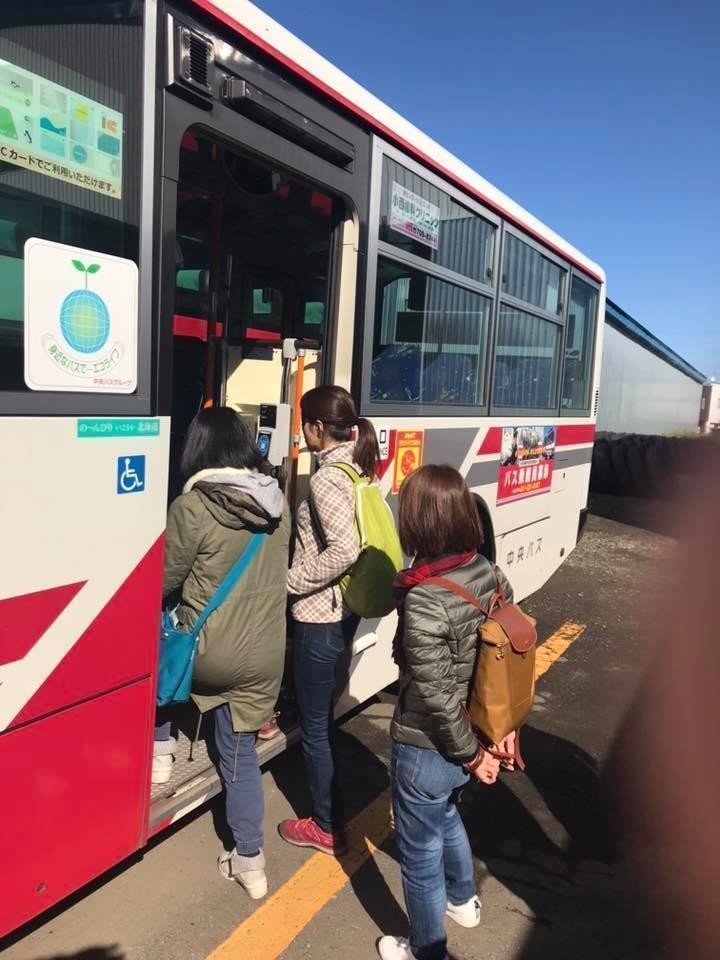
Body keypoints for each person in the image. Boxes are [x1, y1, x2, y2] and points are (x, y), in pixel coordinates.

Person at [378, 464, 515, 960]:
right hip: (474, 730)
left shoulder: (424, 597)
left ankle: (426, 949)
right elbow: (507, 659)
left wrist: (472, 756)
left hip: (429, 745)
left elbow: (435, 696)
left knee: (419, 854)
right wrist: (495, 736)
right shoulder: (489, 572)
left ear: (418, 522)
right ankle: (462, 899)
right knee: (448, 813)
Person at [156, 407, 290, 899]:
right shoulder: (278, 504)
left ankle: (160, 753)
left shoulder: (191, 508)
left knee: (162, 644)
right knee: (239, 756)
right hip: (266, 655)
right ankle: (251, 862)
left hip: (209, 655)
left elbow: (163, 581)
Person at [279, 384, 380, 855]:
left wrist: (291, 581)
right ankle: (330, 813)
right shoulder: (357, 468)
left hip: (321, 615)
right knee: (322, 716)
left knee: (316, 727)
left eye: (305, 424)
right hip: (344, 610)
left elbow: (344, 549)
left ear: (318, 427)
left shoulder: (326, 479)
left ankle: (325, 825)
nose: (302, 433)